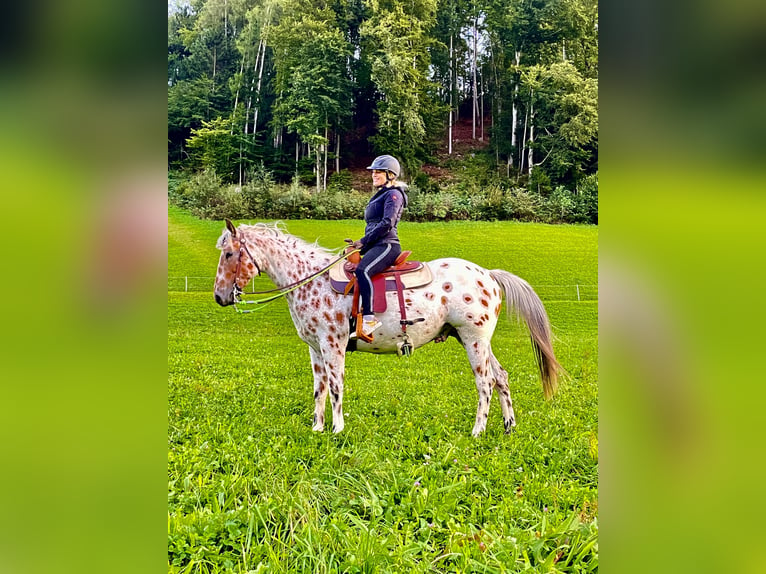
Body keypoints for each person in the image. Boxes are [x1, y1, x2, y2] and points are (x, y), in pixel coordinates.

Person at [347, 155, 408, 339]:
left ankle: (369, 319)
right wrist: (360, 247)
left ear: (390, 174)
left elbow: (386, 223)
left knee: (363, 271)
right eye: (373, 171)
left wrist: (363, 242)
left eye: (378, 171)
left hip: (388, 245)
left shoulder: (394, 194)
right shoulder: (381, 194)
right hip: (376, 244)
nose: (374, 174)